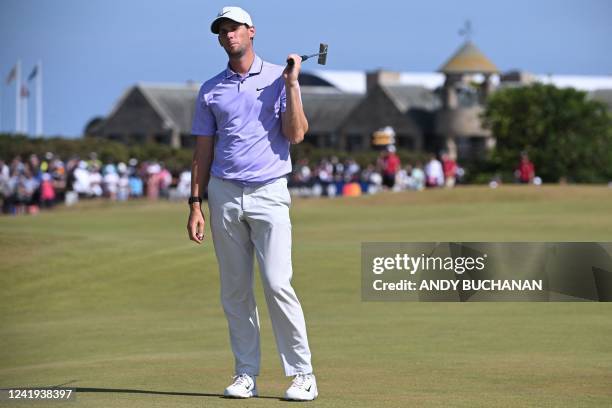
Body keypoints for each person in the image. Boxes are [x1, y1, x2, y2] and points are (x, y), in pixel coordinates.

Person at [186, 6, 317, 401]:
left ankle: (302, 374)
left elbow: (296, 134)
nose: (228, 36)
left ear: (251, 32)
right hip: (224, 193)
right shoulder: (211, 89)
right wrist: (195, 202)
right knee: (235, 291)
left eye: (235, 28)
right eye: (222, 31)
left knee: (278, 284)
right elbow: (202, 150)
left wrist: (292, 85)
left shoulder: (280, 77)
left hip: (269, 191)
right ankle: (246, 374)